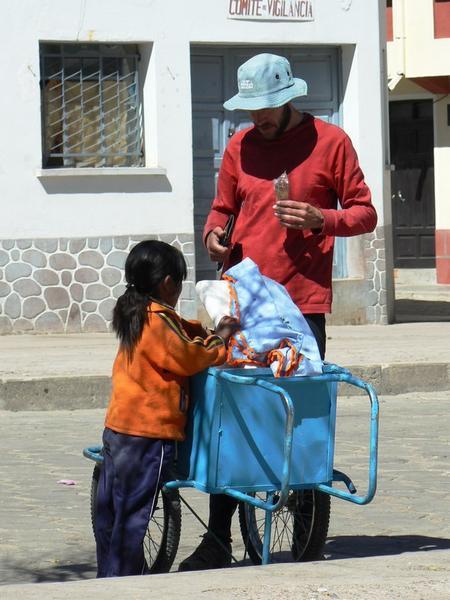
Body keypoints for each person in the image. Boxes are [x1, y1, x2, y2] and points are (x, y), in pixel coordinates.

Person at [178, 53, 377, 571]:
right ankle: (218, 537)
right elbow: (223, 210)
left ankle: (305, 524)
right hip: (240, 301)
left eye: (265, 108)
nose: (256, 118)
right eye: (250, 109)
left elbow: (365, 212)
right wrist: (214, 237)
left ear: (289, 98)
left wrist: (322, 218)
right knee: (229, 416)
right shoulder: (238, 145)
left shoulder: (331, 143)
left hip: (300, 305)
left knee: (299, 414)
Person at [95, 239, 239, 578]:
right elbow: (187, 357)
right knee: (133, 516)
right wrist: (219, 339)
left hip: (119, 427)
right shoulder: (156, 323)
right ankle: (123, 581)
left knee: (112, 512)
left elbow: (177, 329)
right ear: (168, 284)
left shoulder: (138, 311)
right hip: (148, 433)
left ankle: (109, 574)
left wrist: (200, 330)